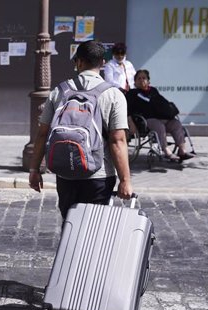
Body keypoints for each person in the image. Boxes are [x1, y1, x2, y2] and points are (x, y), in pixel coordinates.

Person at [29, 41, 133, 219]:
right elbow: (118, 140)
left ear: (78, 62)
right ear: (102, 63)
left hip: (66, 173)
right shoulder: (113, 95)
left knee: (69, 224)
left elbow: (42, 133)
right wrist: (125, 180)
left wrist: (34, 170)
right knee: (93, 229)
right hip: (99, 175)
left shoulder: (59, 91)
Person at [126, 69, 195, 162]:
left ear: (148, 81)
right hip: (146, 120)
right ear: (135, 82)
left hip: (162, 117)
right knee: (159, 126)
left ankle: (182, 150)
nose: (142, 80)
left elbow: (162, 104)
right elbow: (128, 111)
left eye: (144, 78)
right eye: (139, 78)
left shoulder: (153, 91)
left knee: (176, 124)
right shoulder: (132, 93)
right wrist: (131, 124)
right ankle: (166, 151)